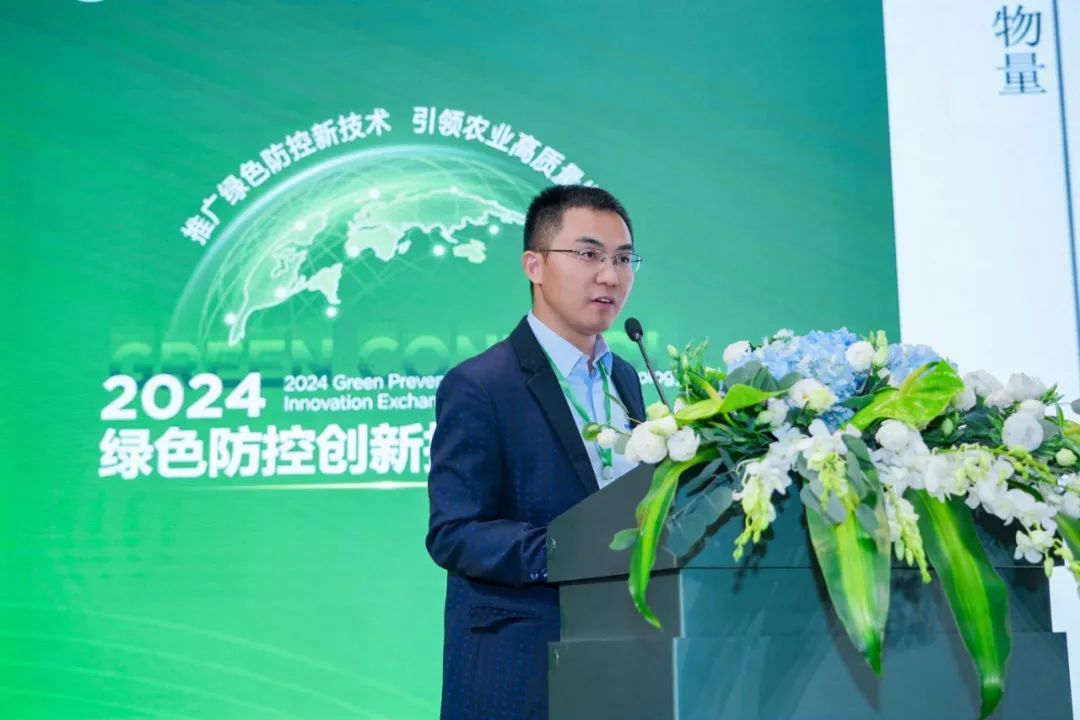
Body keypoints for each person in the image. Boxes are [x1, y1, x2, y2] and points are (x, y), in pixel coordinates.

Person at [426, 184, 647, 720]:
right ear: (535, 265)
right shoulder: (481, 384)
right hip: (522, 668)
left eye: (623, 259)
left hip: (626, 660)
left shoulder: (625, 376)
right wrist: (571, 549)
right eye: (589, 254)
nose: (610, 276)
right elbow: (454, 532)